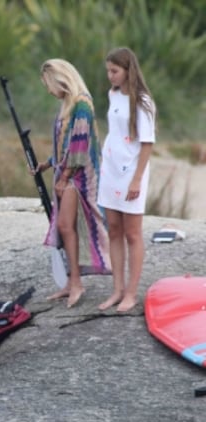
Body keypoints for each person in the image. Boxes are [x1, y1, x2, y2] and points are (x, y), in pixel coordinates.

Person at [34, 59, 111, 308]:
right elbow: (65, 143)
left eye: (48, 85)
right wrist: (47, 163)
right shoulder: (67, 104)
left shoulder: (81, 103)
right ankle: (70, 281)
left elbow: (79, 146)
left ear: (60, 79)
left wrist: (64, 177)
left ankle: (76, 282)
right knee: (65, 228)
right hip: (66, 172)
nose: (48, 91)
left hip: (78, 176)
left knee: (67, 227)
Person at [97, 48, 156, 312]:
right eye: (108, 70)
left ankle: (131, 293)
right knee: (114, 229)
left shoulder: (142, 101)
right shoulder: (113, 94)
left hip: (132, 173)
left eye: (114, 71)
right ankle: (117, 290)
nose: (110, 76)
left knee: (132, 233)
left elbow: (147, 144)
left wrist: (136, 180)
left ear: (128, 70)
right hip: (110, 168)